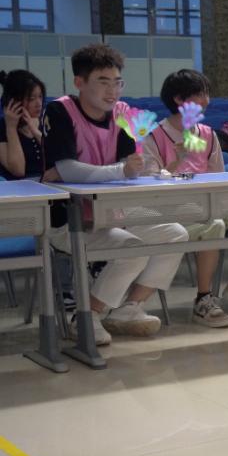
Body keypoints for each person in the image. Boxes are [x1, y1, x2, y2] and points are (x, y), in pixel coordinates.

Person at [41, 44, 189, 345]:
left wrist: (117, 170)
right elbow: (68, 169)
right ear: (79, 82)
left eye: (117, 82)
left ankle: (128, 309)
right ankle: (86, 317)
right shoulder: (60, 111)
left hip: (112, 212)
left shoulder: (121, 113)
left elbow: (128, 168)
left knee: (174, 233)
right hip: (68, 219)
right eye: (103, 82)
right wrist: (116, 170)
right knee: (132, 247)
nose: (113, 91)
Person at [142, 69, 228, 327]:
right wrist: (178, 161)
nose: (206, 101)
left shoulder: (208, 134)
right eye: (199, 95)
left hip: (207, 201)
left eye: (207, 94)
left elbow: (217, 177)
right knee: (214, 224)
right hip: (173, 207)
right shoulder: (155, 137)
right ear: (179, 99)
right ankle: (203, 299)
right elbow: (151, 184)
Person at [0, 70, 45, 180]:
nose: (39, 103)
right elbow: (18, 170)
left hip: (51, 185)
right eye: (31, 99)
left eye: (40, 96)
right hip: (20, 188)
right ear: (15, 102)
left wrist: (35, 131)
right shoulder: (2, 127)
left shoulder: (46, 121)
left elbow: (59, 159)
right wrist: (11, 128)